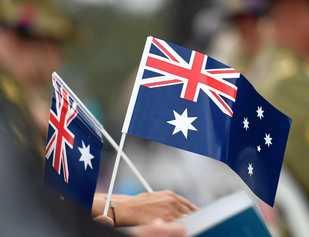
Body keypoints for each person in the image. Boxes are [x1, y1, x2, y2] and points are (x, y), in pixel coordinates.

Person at [0, 0, 196, 235]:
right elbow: (29, 210)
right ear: (9, 39)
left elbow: (48, 202)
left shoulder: (17, 108)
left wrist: (125, 208)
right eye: (49, 44)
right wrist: (125, 211)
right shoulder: (9, 115)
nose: (55, 61)